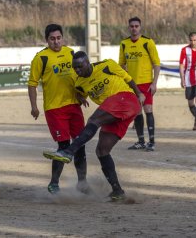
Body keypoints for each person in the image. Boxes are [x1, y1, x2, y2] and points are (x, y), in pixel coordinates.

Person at [43, 51, 145, 201]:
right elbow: (80, 92)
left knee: (93, 120)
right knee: (102, 150)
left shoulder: (107, 65)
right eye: (75, 68)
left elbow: (128, 79)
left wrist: (139, 93)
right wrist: (80, 98)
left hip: (125, 98)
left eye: (80, 66)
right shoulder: (79, 83)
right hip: (115, 113)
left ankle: (69, 151)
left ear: (88, 63)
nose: (77, 70)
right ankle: (118, 191)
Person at [28, 24, 88, 194]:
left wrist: (81, 94)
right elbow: (32, 84)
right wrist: (34, 107)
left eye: (58, 38)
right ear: (47, 40)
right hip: (54, 108)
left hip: (73, 106)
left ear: (63, 37)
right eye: (52, 39)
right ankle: (54, 183)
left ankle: (82, 183)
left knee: (80, 144)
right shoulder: (41, 58)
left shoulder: (70, 53)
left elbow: (78, 77)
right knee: (63, 146)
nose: (56, 42)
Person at [118, 16, 161, 151]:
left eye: (136, 26)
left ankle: (152, 142)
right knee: (137, 112)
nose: (134, 28)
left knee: (148, 110)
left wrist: (154, 83)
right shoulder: (124, 44)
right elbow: (121, 65)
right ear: (129, 27)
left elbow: (156, 63)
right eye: (132, 26)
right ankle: (141, 141)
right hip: (132, 84)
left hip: (146, 83)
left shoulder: (148, 42)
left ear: (140, 27)